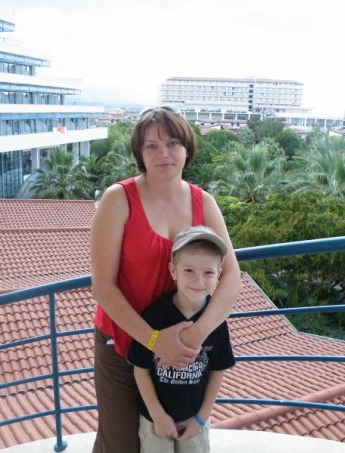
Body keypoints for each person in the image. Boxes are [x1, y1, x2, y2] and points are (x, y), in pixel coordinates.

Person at [90, 106, 242, 452]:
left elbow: (231, 275)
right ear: (140, 153)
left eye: (173, 143)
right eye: (152, 146)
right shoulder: (119, 199)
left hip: (186, 352)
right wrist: (156, 342)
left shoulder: (204, 202)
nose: (164, 153)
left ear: (187, 149)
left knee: (177, 439)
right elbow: (103, 286)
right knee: (120, 443)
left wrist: (196, 335)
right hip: (124, 343)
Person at [128, 225, 236, 453]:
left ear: (218, 275)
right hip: (154, 421)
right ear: (173, 270)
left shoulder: (215, 320)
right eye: (189, 270)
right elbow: (140, 369)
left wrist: (201, 418)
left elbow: (218, 370)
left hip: (195, 420)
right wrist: (157, 415)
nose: (198, 280)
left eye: (208, 273)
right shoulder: (154, 315)